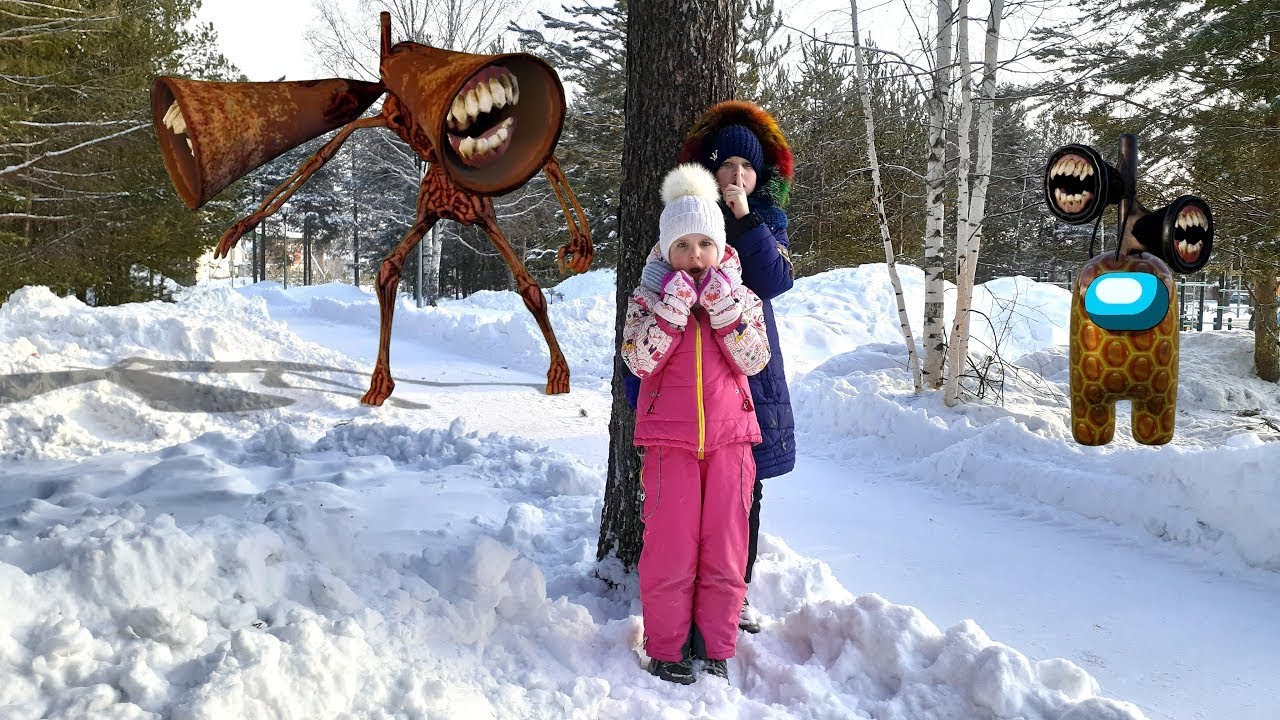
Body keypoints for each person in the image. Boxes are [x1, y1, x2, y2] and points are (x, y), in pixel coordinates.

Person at [626, 100, 796, 635]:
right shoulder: (681, 224)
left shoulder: (765, 220)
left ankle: (731, 594)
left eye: (748, 168)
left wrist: (744, 219)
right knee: (678, 505)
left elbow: (772, 282)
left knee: (742, 490)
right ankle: (675, 609)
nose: (738, 176)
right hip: (674, 375)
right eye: (728, 166)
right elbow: (647, 310)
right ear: (710, 170)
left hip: (743, 361)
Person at [621, 163, 772, 685]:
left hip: (732, 442)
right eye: (682, 245)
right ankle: (666, 648)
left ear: (720, 246)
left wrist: (724, 309)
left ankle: (715, 646)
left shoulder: (742, 296)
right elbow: (639, 361)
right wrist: (671, 309)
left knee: (727, 551)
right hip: (670, 444)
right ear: (665, 250)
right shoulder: (646, 298)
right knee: (670, 549)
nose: (694, 256)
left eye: (704, 243)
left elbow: (755, 359)